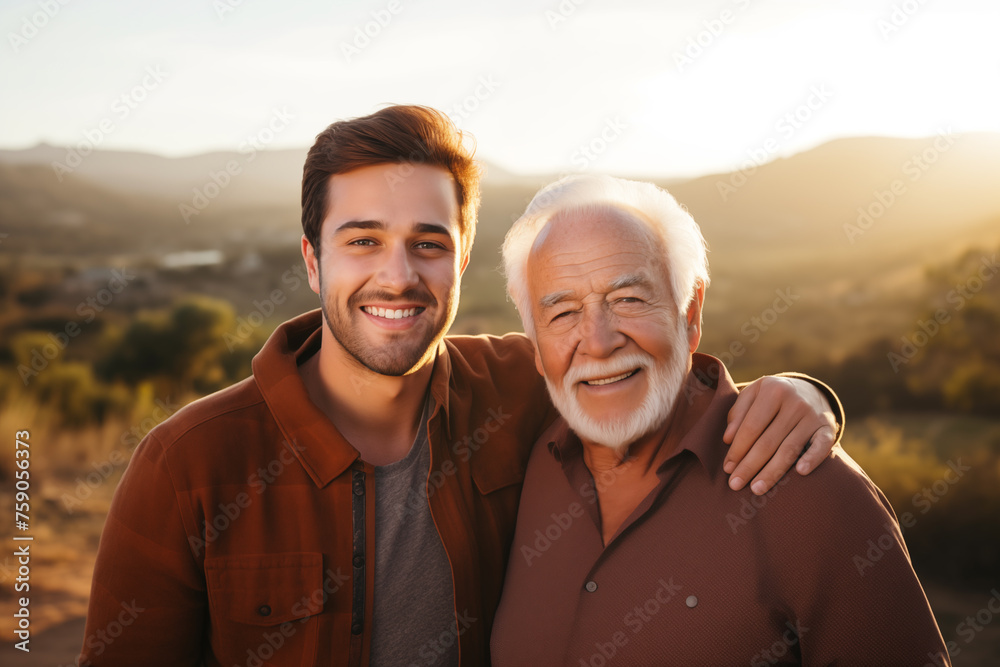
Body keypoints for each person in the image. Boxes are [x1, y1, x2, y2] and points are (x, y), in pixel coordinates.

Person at [80, 106, 844, 666]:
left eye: (427, 244)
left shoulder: (519, 388)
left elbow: (648, 371)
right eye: (363, 241)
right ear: (313, 261)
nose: (398, 275)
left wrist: (803, 392)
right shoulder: (188, 466)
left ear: (462, 258)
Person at [490, 174, 950, 666]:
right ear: (535, 346)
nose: (599, 342)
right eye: (562, 313)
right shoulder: (522, 464)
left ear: (690, 313)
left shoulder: (812, 492)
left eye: (628, 300)